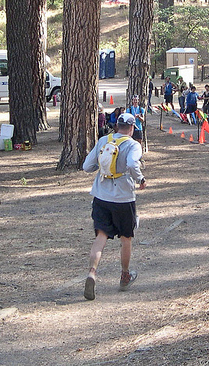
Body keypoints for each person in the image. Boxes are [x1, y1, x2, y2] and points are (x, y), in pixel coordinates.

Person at [82, 112, 147, 300]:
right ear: (132, 128)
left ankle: (92, 272)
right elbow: (132, 163)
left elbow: (87, 166)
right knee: (126, 238)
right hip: (123, 198)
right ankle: (125, 276)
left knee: (101, 236)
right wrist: (140, 179)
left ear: (117, 126)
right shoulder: (133, 145)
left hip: (101, 196)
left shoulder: (104, 140)